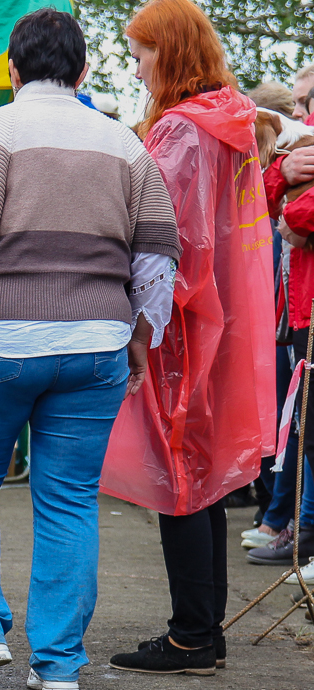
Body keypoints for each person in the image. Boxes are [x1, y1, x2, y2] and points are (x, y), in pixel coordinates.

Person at [0, 9, 181, 687]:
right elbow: (155, 259)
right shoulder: (124, 143)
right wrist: (141, 338)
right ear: (83, 72)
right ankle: (58, 665)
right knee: (67, 498)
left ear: (10, 68)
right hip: (97, 342)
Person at [103, 0, 276, 675]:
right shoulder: (232, 122)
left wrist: (139, 320)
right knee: (200, 478)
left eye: (143, 52)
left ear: (168, 52)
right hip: (222, 318)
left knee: (178, 475)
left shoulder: (179, 129)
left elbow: (164, 235)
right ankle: (204, 630)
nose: (137, 66)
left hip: (178, 321)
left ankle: (190, 635)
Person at [254, 64, 314, 567]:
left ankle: (295, 524)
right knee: (303, 428)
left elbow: (296, 217)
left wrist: (290, 215)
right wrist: (283, 181)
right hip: (298, 311)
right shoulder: (297, 155)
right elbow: (269, 207)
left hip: (308, 312)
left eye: (305, 103)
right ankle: (295, 524)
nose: (297, 114)